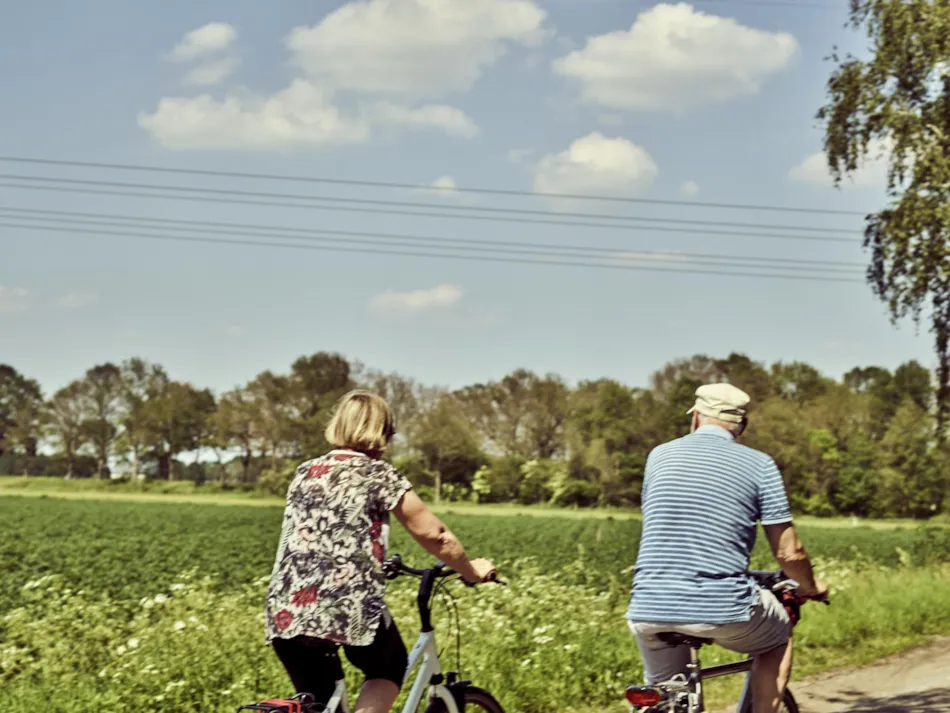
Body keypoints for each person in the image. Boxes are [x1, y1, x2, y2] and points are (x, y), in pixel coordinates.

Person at [264, 390, 497, 713]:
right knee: (389, 667)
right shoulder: (378, 474)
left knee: (319, 703)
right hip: (345, 603)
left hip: (286, 608)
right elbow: (436, 536)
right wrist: (470, 570)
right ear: (383, 432)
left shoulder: (306, 471)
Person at [626, 383, 827, 713]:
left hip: (648, 606)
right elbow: (790, 552)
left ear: (696, 418)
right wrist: (810, 586)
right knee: (778, 637)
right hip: (721, 608)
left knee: (667, 696)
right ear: (742, 426)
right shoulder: (759, 464)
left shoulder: (658, 455)